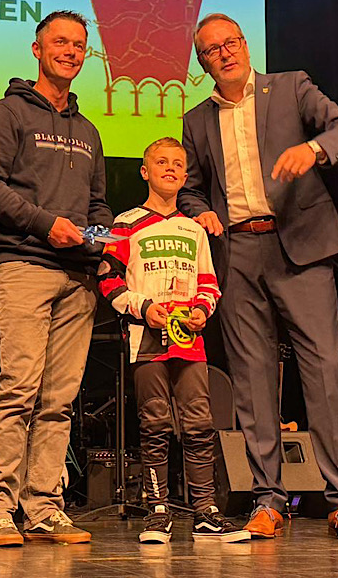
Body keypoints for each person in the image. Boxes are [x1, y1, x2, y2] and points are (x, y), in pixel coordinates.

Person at [177, 13, 338, 541]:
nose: (224, 53)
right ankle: (267, 500)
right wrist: (200, 211)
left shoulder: (290, 87)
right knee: (251, 378)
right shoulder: (196, 120)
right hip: (238, 251)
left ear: (245, 45)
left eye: (231, 43)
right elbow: (190, 188)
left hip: (300, 247)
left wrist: (313, 149)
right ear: (202, 64)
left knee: (323, 370)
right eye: (212, 50)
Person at [0, 10, 112, 547]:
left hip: (77, 279)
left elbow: (98, 205)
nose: (70, 52)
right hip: (23, 266)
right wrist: (44, 223)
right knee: (19, 392)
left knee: (59, 401)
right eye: (60, 42)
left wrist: (99, 243)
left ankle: (44, 508)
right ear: (37, 49)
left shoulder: (89, 131)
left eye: (79, 45)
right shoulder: (5, 113)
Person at [97, 137, 249, 544]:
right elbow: (108, 278)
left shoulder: (194, 229)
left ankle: (205, 511)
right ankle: (157, 511)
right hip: (145, 340)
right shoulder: (125, 224)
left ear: (185, 176)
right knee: (155, 424)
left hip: (189, 342)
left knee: (199, 424)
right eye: (161, 162)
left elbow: (209, 283)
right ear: (144, 171)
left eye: (178, 164)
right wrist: (142, 307)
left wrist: (202, 309)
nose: (170, 168)